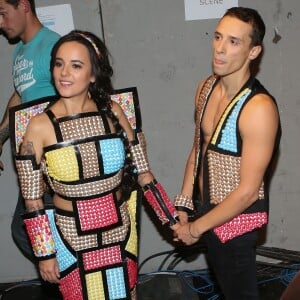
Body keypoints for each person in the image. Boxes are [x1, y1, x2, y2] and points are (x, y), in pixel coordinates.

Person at [14, 29, 177, 299]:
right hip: (69, 237)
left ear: (93, 74)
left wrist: (172, 221)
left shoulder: (114, 112)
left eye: (76, 65)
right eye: (59, 63)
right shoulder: (38, 126)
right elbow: (32, 201)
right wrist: (45, 255)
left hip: (120, 231)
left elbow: (143, 173)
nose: (64, 73)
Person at [172, 7, 281, 299]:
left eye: (233, 42)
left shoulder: (259, 109)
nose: (220, 49)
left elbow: (247, 192)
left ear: (253, 51)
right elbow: (198, 148)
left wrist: (195, 230)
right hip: (206, 212)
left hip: (236, 221)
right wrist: (184, 204)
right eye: (218, 37)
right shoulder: (206, 88)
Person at [0, 0, 60, 261]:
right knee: (25, 230)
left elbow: (73, 96)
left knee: (31, 231)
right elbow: (19, 96)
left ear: (24, 5)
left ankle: (74, 278)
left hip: (52, 161)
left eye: (3, 14)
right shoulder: (21, 52)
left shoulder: (52, 46)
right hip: (32, 163)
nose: (0, 24)